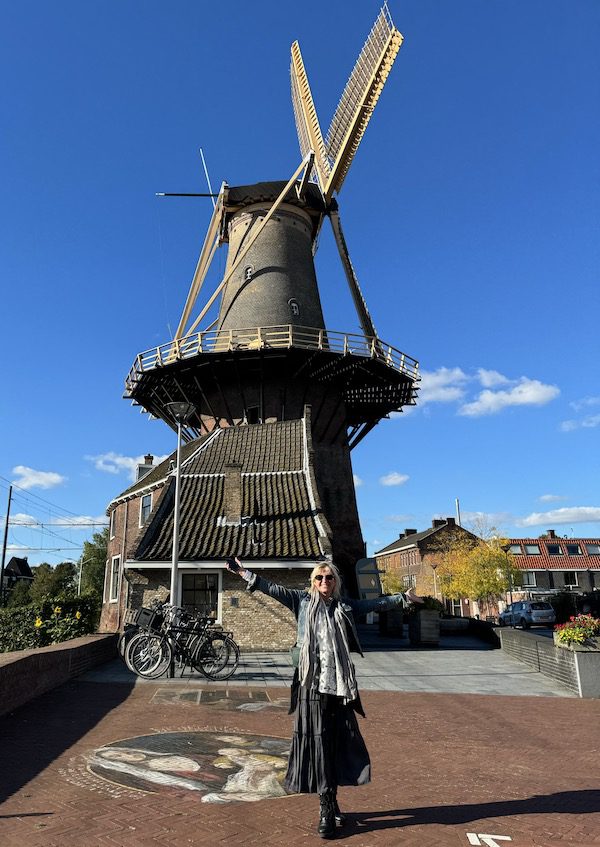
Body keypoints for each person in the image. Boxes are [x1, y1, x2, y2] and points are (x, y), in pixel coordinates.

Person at [226, 557, 424, 839]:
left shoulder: (344, 607)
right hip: (311, 686)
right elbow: (270, 587)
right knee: (318, 745)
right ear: (312, 581)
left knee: (335, 745)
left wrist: (402, 598)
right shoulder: (301, 602)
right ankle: (326, 807)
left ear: (335, 582)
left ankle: (332, 800)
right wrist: (243, 572)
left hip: (340, 689)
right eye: (319, 578)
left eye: (329, 578)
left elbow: (374, 604)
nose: (323, 583)